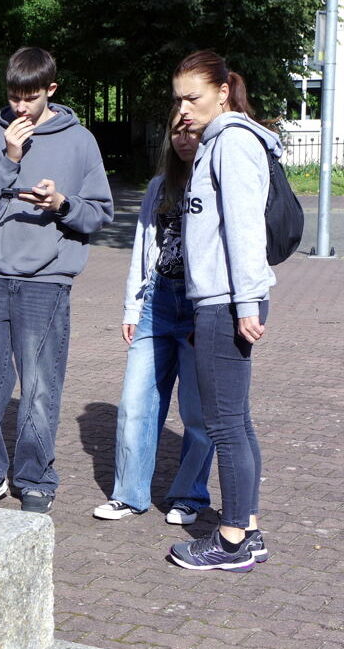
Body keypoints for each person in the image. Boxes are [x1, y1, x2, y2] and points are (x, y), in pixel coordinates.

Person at [0, 47, 113, 512]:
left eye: (30, 97)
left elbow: (99, 213)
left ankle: (35, 479)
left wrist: (61, 204)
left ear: (51, 89)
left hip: (47, 281)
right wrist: (9, 157)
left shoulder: (80, 140)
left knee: (41, 387)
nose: (21, 107)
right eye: (13, 97)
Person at [168, 50, 276, 572]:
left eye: (193, 98)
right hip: (222, 298)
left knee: (225, 424)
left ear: (222, 92)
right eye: (178, 100)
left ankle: (230, 539)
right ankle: (247, 528)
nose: (183, 110)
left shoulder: (231, 143)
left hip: (227, 301)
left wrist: (247, 301)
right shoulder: (217, 142)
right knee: (237, 420)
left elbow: (245, 229)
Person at [93, 105, 215, 524]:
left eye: (191, 131)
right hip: (158, 301)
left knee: (197, 413)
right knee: (135, 402)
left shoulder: (215, 180)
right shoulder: (160, 186)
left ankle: (190, 496)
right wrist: (133, 305)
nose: (183, 138)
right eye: (176, 131)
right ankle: (129, 494)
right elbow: (144, 246)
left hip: (200, 306)